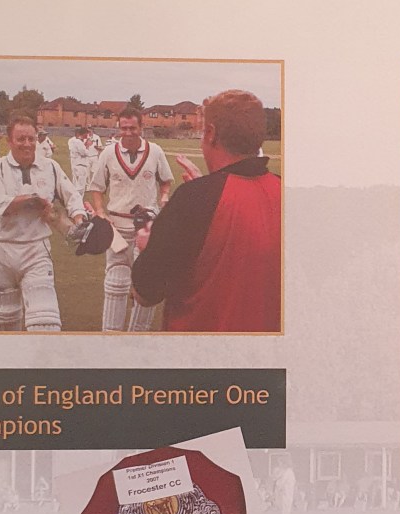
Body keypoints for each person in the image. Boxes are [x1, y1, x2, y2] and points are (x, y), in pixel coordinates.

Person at [131, 89, 281, 332]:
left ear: (210, 134)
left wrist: (147, 246)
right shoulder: (287, 192)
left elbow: (145, 293)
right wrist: (205, 191)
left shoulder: (194, 199)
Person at [0, 115, 87, 331]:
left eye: (31, 138)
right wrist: (30, 200)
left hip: (36, 250)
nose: (27, 144)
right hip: (1, 249)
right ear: (9, 141)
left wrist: (79, 219)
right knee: (4, 318)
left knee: (45, 322)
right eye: (21, 139)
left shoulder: (50, 167)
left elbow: (72, 196)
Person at [86, 107, 173, 331]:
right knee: (115, 283)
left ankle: (138, 336)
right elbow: (97, 187)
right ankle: (110, 337)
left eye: (132, 128)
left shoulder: (155, 151)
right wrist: (100, 212)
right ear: (119, 128)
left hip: (147, 227)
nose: (128, 132)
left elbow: (165, 180)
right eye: (124, 128)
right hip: (117, 226)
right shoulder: (108, 153)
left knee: (146, 284)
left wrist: (164, 196)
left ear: (141, 127)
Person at [67, 126, 93, 193]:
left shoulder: (78, 142)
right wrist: (88, 146)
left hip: (76, 163)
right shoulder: (78, 142)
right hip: (80, 165)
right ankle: (78, 198)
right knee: (81, 186)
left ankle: (74, 196)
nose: (87, 135)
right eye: (87, 133)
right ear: (84, 133)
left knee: (76, 184)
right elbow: (84, 153)